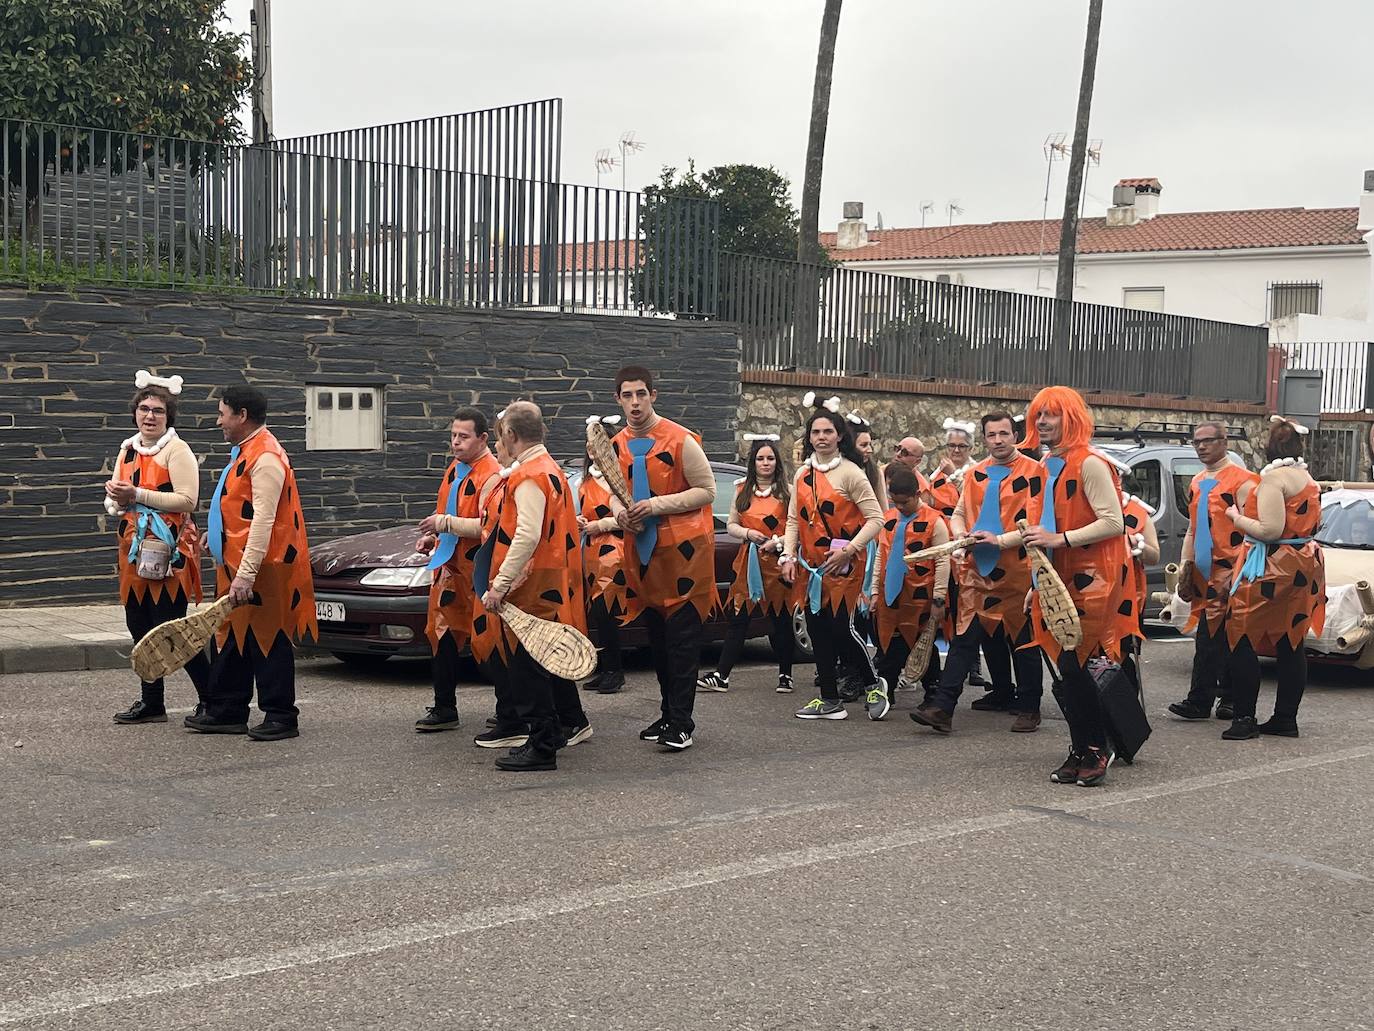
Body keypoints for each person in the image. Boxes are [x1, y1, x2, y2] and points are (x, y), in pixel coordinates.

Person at [187, 385, 316, 741]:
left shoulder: (266, 458)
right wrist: (216, 536)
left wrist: (246, 573)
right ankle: (228, 709)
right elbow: (236, 510)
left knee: (268, 637)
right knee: (232, 635)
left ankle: (280, 715)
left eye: (222, 413)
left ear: (242, 415)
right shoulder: (247, 451)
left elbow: (264, 520)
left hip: (266, 569)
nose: (219, 421)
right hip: (240, 565)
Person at [468, 401, 590, 771]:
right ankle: (549, 736)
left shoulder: (528, 475)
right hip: (549, 583)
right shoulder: (551, 469)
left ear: (509, 435)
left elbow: (526, 535)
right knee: (538, 667)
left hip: (530, 588)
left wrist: (500, 585)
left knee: (528, 670)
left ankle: (541, 745)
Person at [1020, 386, 1129, 786]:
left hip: (1094, 580)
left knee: (1074, 665)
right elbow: (1042, 529)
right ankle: (1082, 748)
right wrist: (1036, 575)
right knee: (1069, 671)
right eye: (1038, 416)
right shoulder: (1047, 465)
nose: (1043, 422)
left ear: (1072, 418)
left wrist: (1059, 541)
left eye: (1051, 415)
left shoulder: (1092, 464)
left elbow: (1113, 522)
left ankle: (1096, 748)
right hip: (1059, 579)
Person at [913, 410, 1046, 735]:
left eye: (1004, 434)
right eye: (992, 435)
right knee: (964, 640)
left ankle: (1029, 707)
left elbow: (1037, 521)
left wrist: (999, 541)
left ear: (1015, 435)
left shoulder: (1034, 473)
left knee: (1023, 641)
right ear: (984, 438)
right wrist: (959, 533)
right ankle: (943, 707)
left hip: (1017, 572)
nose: (998, 441)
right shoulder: (975, 474)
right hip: (976, 573)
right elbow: (959, 511)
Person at [610, 366, 716, 751]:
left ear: (653, 395)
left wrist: (655, 504)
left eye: (641, 394)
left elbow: (707, 490)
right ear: (618, 399)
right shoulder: (617, 445)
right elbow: (613, 492)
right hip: (643, 555)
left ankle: (682, 723)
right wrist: (619, 513)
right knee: (657, 641)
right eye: (627, 395)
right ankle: (668, 712)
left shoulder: (680, 440)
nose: (635, 403)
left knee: (682, 643)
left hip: (685, 557)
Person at [107, 373, 210, 725]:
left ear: (169, 417)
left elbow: (187, 500)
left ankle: (211, 699)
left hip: (170, 553)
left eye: (158, 411)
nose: (149, 416)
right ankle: (152, 703)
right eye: (144, 409)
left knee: (170, 629)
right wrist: (115, 498)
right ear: (135, 413)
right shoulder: (128, 448)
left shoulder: (177, 450)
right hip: (134, 552)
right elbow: (120, 496)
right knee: (138, 625)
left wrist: (135, 495)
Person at [1223, 417, 1326, 740]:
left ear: (1270, 446)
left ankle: (1244, 718)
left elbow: (1270, 530)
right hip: (1303, 564)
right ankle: (1285, 718)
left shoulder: (1274, 480)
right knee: (1290, 639)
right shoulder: (1307, 479)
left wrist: (1236, 518)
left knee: (1240, 635)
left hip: (1271, 565)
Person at [780, 402, 885, 720]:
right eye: (816, 432)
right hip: (810, 567)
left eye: (828, 431)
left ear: (840, 436)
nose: (822, 437)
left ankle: (873, 684)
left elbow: (876, 518)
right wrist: (787, 554)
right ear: (809, 437)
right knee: (817, 629)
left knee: (841, 627)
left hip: (844, 564)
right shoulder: (802, 473)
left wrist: (849, 550)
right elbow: (793, 521)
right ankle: (829, 698)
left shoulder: (852, 473)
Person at [413, 407, 502, 733]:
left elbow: (490, 526)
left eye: (463, 437)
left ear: (483, 438)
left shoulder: (491, 474)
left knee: (488, 639)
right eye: (453, 436)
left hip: (479, 569)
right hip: (449, 567)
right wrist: (433, 535)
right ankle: (444, 706)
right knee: (442, 635)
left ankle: (507, 709)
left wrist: (445, 523)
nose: (456, 442)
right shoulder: (455, 469)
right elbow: (446, 513)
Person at [1167, 423, 1256, 722]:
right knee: (1208, 635)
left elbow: (1252, 529)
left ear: (1223, 442)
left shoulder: (1243, 481)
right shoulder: (1197, 482)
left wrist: (1242, 570)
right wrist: (1185, 565)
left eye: (1208, 441)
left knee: (1229, 635)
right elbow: (1193, 527)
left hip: (1233, 568)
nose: (1202, 447)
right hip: (1205, 570)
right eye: (1196, 442)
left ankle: (1222, 699)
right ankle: (1205, 699)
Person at [698, 435, 795, 694]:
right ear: (753, 462)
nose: (765, 463)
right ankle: (722, 675)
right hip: (748, 562)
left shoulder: (788, 491)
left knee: (781, 618)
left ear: (777, 462)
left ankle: (786, 674)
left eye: (770, 458)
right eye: (760, 458)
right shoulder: (742, 490)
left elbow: (798, 528)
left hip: (777, 562)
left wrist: (777, 541)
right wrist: (748, 534)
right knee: (739, 618)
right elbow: (731, 525)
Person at [869, 466, 948, 720]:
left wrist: (939, 597)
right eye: (896, 502)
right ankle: (895, 688)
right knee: (891, 641)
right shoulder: (889, 519)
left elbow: (943, 560)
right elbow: (881, 554)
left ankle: (923, 688)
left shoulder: (935, 522)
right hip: (891, 597)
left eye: (905, 502)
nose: (900, 507)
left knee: (919, 643)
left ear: (917, 494)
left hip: (920, 597)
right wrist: (873, 592)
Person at [577, 418, 628, 695]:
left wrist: (600, 525)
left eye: (595, 443)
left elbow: (628, 517)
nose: (589, 448)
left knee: (608, 611)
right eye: (587, 443)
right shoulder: (586, 480)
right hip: (591, 553)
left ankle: (615, 671)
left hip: (614, 551)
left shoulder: (617, 479)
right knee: (598, 613)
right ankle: (607, 667)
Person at [1120, 489, 1161, 690]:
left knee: (1121, 655)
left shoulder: (1136, 512)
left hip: (1128, 595)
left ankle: (1125, 710)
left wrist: (1139, 547)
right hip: (1088, 592)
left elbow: (1154, 556)